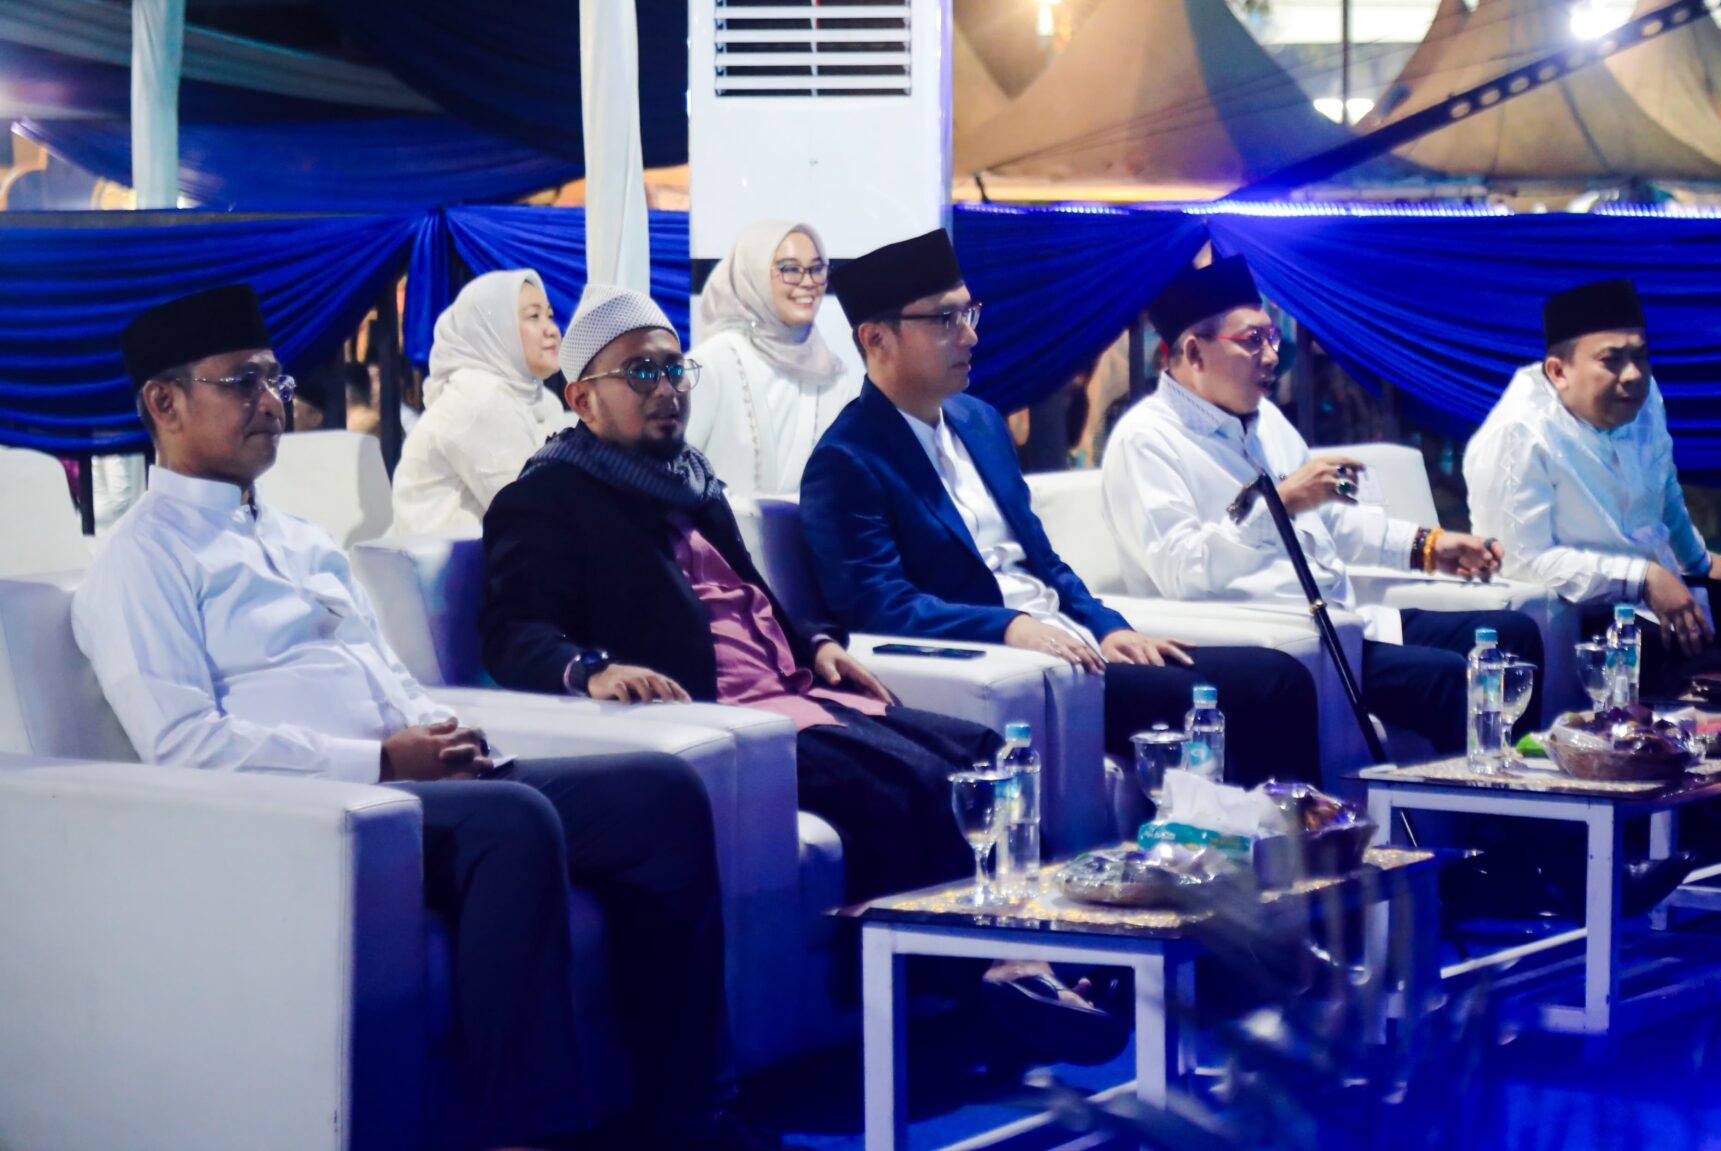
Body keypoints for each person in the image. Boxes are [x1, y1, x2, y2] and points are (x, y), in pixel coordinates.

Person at [72, 284, 763, 1151]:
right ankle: (529, 1132)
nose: (272, 403)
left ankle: (689, 1113)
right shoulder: (140, 561)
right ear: (163, 404)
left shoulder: (301, 538)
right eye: (242, 382)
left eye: (276, 380)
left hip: (418, 779)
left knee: (658, 794)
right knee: (512, 822)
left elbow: (384, 674)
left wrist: (453, 736)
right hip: (310, 811)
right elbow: (184, 745)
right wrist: (382, 763)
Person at [480, 282, 1127, 1065]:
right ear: (582, 397)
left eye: (674, 368)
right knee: (906, 784)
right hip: (727, 716)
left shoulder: (690, 482)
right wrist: (590, 669)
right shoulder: (545, 498)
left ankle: (1039, 948)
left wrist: (816, 643)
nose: (668, 388)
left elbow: (753, 595)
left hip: (795, 687)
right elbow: (512, 631)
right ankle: (993, 975)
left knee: (990, 756)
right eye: (641, 372)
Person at [798, 230, 1322, 787]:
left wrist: (1106, 625)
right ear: (877, 339)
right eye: (945, 320)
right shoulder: (848, 459)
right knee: (1250, 690)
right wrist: (1009, 626)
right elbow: (880, 606)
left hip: (1073, 639)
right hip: (1018, 661)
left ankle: (1294, 835)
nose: (970, 335)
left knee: (1281, 673)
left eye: (969, 313)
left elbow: (1043, 560)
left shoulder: (978, 421)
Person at [1101, 254, 1543, 761]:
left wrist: (1428, 547)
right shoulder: (1146, 440)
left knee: (1513, 637)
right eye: (1252, 340)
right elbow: (1182, 572)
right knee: (1447, 678)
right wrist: (1280, 503)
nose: (1272, 356)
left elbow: (1331, 517)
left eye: (1272, 338)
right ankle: (1483, 806)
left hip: (1344, 620)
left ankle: (1530, 796)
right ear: (1194, 352)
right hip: (1277, 637)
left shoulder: (1265, 420)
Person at [1463, 278, 1721, 693]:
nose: (1633, 374)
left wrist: (1698, 562)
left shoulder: (1642, 399)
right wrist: (1640, 578)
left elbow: (1665, 492)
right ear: (1558, 371)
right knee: (1711, 676)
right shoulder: (1517, 435)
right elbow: (1520, 562)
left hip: (1666, 589)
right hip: (1591, 614)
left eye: (1640, 356)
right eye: (1611, 360)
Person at [685, 222, 860, 494]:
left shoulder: (831, 374)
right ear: (752, 275)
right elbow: (674, 475)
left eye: (816, 269)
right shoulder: (712, 364)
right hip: (715, 523)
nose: (808, 282)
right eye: (790, 269)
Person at [393, 269, 566, 535]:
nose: (552, 330)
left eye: (550, 316)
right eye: (534, 316)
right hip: (446, 559)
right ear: (493, 330)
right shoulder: (477, 399)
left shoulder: (540, 400)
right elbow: (533, 512)